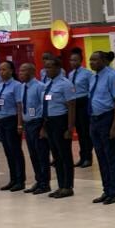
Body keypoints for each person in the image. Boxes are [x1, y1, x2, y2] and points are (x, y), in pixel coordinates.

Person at [88, 51, 115, 205]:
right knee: (101, 157)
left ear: (103, 60)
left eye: (95, 60)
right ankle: (106, 189)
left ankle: (114, 191)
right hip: (94, 120)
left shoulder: (112, 76)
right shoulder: (93, 77)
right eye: (90, 60)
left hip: (107, 118)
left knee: (112, 157)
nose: (92, 62)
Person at [42, 57, 76, 198]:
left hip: (61, 121)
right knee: (56, 156)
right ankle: (61, 185)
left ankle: (68, 186)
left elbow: (72, 106)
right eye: (45, 67)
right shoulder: (47, 84)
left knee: (65, 155)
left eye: (49, 67)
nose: (46, 70)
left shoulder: (65, 84)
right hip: (50, 121)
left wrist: (70, 128)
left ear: (57, 68)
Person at [0, 61, 26, 192]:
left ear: (11, 71)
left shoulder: (17, 86)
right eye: (0, 70)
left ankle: (20, 180)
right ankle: (13, 179)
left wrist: (19, 123)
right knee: (8, 152)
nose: (1, 72)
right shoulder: (0, 85)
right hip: (2, 120)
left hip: (12, 120)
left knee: (15, 151)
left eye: (4, 69)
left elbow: (19, 105)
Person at [19, 62, 51, 195]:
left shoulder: (40, 87)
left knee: (42, 154)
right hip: (28, 123)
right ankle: (38, 180)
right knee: (33, 155)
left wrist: (44, 127)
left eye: (23, 70)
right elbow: (21, 106)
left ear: (32, 72)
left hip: (38, 123)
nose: (20, 73)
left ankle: (45, 183)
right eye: (20, 71)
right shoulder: (22, 87)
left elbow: (45, 107)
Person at [67, 49, 94, 169]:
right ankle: (82, 157)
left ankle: (88, 157)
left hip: (84, 102)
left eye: (75, 60)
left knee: (86, 132)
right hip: (74, 104)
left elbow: (91, 89)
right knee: (79, 132)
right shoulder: (71, 74)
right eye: (71, 60)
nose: (73, 62)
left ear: (81, 60)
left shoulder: (87, 74)